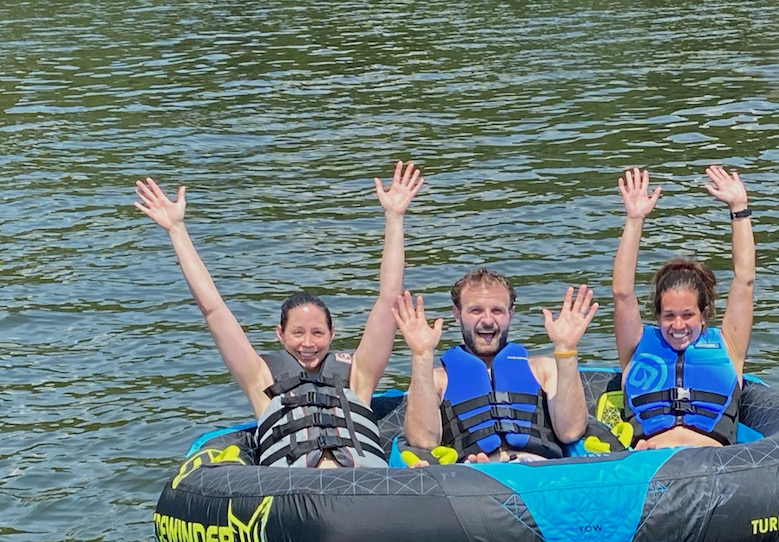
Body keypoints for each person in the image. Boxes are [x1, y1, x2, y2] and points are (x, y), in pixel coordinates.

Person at [134, 160, 424, 468]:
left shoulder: (359, 376)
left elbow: (388, 299)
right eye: (297, 333)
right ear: (280, 334)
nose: (308, 343)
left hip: (365, 487)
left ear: (332, 333)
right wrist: (176, 230)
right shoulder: (260, 378)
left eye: (317, 333)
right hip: (294, 496)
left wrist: (394, 217)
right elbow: (213, 309)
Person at [611, 165, 755, 449]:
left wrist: (739, 208)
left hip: (709, 461)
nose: (678, 325)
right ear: (658, 316)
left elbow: (744, 281)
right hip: (648, 465)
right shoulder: (637, 346)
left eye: (688, 315)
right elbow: (622, 293)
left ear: (704, 315)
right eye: (669, 316)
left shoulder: (728, 346)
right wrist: (634, 219)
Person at [391, 269, 597, 462]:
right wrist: (421, 355)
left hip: (537, 472)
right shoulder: (437, 379)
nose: (487, 320)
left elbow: (571, 431)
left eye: (497, 311)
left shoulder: (544, 369)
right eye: (476, 310)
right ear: (457, 313)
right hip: (475, 475)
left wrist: (566, 349)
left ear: (511, 314)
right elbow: (423, 442)